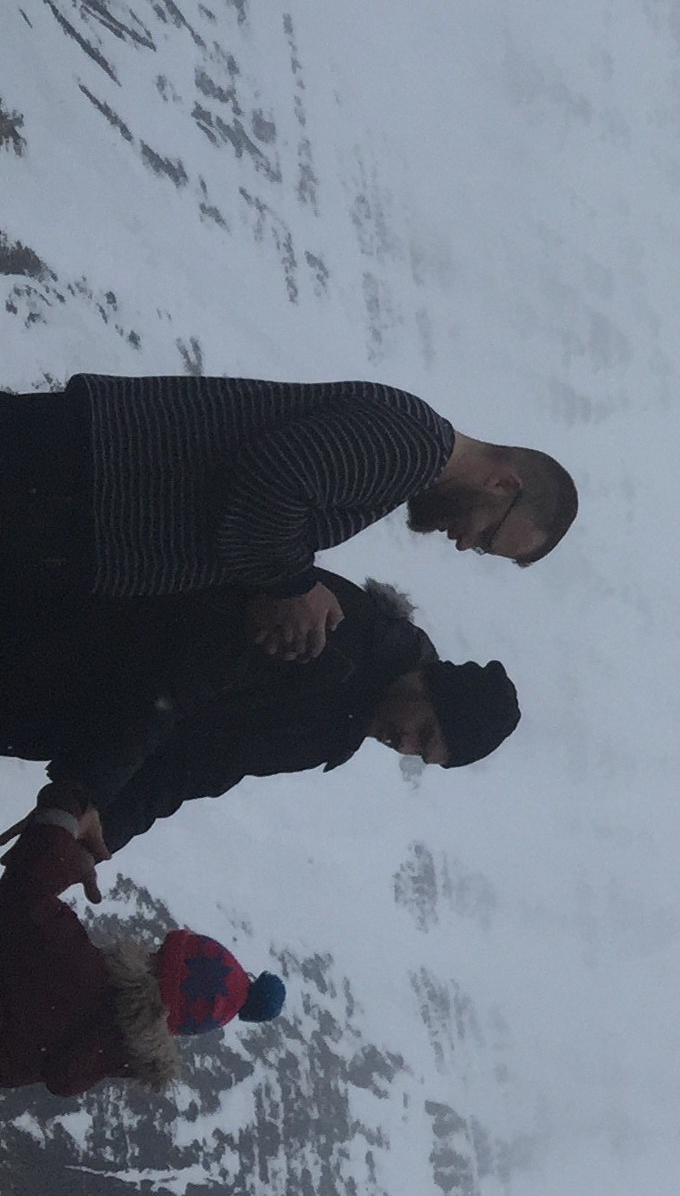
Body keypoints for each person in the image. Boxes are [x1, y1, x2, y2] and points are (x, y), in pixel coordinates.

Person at [0, 372, 577, 662]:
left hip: (70, 491)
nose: (466, 545)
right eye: (488, 535)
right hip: (66, 484)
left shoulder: (408, 449)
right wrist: (295, 585)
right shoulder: (410, 449)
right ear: (502, 483)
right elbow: (272, 479)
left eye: (482, 550)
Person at [0, 571, 517, 860]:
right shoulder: (333, 632)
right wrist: (82, 792)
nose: (404, 745)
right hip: (55, 641)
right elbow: (176, 676)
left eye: (420, 753)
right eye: (423, 732)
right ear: (430, 685)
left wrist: (97, 836)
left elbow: (196, 767)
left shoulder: (334, 732)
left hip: (53, 707)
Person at [0, 816, 284, 1098]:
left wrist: (64, 822)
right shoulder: (104, 1056)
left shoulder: (75, 962)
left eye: (161, 952)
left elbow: (23, 892)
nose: (148, 948)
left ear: (154, 966)